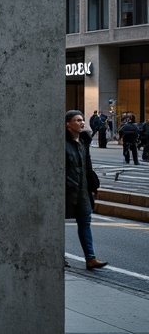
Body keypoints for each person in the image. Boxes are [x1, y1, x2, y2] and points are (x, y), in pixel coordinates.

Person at [65, 110, 107, 270]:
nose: (81, 123)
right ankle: (58, 256)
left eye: (82, 120)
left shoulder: (84, 142)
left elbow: (87, 167)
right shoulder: (62, 143)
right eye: (77, 120)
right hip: (66, 190)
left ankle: (90, 258)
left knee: (85, 222)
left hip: (82, 189)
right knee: (57, 225)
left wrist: (93, 186)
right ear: (68, 124)